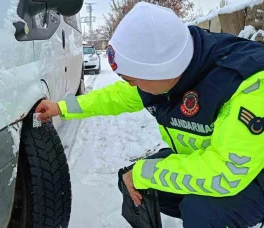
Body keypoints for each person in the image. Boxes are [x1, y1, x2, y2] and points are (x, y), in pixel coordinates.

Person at [35, 2, 264, 228]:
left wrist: (142, 173)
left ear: (159, 71)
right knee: (137, 181)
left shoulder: (249, 84)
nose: (131, 86)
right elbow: (112, 98)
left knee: (202, 210)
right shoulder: (166, 76)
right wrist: (62, 108)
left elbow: (227, 172)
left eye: (132, 79)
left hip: (252, 175)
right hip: (215, 160)